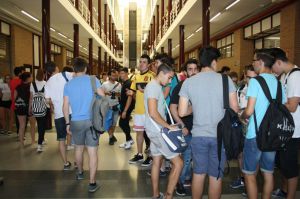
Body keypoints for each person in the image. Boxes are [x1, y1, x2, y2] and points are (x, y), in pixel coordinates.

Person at [178, 46, 238, 199]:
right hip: (220, 137)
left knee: (198, 174)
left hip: (198, 136)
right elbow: (235, 109)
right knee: (215, 175)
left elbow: (182, 112)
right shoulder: (226, 79)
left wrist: (195, 106)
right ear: (213, 61)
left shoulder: (189, 82)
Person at [240, 48, 286, 199]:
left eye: (254, 60)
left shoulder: (255, 81)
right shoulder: (279, 83)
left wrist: (242, 115)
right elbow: (283, 106)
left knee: (249, 175)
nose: (252, 63)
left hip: (255, 134)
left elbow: (249, 110)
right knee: (268, 174)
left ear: (260, 62)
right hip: (273, 136)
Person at [63, 57, 105, 193]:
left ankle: (80, 172)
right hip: (92, 121)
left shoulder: (68, 85)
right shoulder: (93, 80)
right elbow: (103, 97)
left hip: (75, 121)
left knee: (78, 149)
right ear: (86, 68)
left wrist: (67, 122)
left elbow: (65, 106)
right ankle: (92, 183)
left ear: (74, 70)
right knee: (92, 152)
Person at [144, 63, 183, 199]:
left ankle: (155, 194)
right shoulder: (154, 87)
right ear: (162, 73)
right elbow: (153, 113)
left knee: (157, 161)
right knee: (178, 163)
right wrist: (168, 126)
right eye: (170, 77)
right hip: (158, 131)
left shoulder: (155, 86)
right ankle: (168, 196)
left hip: (153, 130)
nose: (170, 81)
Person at [270, 48, 299, 199]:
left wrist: (272, 106)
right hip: (285, 128)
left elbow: (292, 106)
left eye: (272, 65)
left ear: (279, 62)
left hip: (294, 130)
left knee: (290, 166)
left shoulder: (296, 76)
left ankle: (291, 196)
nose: (271, 69)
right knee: (282, 164)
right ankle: (284, 190)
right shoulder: (285, 76)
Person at [170, 59, 200, 196]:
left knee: (194, 157)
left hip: (200, 128)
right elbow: (173, 108)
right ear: (185, 71)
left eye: (195, 69)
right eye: (190, 69)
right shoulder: (181, 86)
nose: (193, 72)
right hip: (186, 128)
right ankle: (179, 182)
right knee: (186, 158)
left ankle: (186, 177)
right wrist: (181, 125)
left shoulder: (202, 87)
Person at [230, 65, 257, 190]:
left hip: (254, 129)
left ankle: (251, 182)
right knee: (240, 154)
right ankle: (243, 179)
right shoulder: (240, 88)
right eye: (249, 77)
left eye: (254, 77)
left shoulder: (258, 89)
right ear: (245, 76)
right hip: (240, 127)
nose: (251, 80)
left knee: (252, 156)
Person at [44, 61, 73, 170]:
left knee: (61, 140)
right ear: (56, 67)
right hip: (71, 111)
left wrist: (53, 104)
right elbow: (77, 77)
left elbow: (47, 100)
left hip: (58, 115)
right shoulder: (65, 74)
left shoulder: (47, 83)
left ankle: (65, 163)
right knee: (75, 138)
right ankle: (77, 162)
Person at [127, 54, 154, 166]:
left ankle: (152, 156)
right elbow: (133, 93)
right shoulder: (135, 77)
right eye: (140, 61)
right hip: (138, 111)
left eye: (144, 62)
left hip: (149, 111)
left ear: (148, 64)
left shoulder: (153, 76)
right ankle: (139, 154)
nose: (141, 64)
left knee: (151, 135)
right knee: (139, 134)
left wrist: (145, 90)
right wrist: (131, 93)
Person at [14, 72, 35, 146]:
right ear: (28, 78)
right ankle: (32, 141)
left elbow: (14, 98)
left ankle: (21, 143)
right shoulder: (31, 86)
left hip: (19, 107)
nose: (32, 77)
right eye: (31, 76)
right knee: (32, 125)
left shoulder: (18, 87)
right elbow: (31, 98)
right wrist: (30, 108)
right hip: (29, 107)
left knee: (21, 125)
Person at [102, 69, 121, 145]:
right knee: (108, 123)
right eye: (113, 75)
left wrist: (116, 94)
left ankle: (111, 135)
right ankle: (110, 137)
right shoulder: (104, 84)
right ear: (109, 75)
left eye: (116, 75)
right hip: (107, 106)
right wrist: (106, 93)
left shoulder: (119, 84)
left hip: (116, 106)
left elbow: (120, 94)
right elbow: (101, 94)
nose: (115, 77)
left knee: (114, 123)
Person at [29, 69, 47, 152]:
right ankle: (39, 145)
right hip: (43, 108)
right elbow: (47, 97)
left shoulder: (32, 84)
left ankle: (42, 140)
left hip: (35, 108)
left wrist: (30, 107)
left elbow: (31, 97)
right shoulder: (45, 83)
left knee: (39, 124)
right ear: (43, 75)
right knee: (41, 126)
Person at [119, 67, 135, 149]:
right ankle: (128, 140)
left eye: (122, 73)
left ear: (126, 73)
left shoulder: (129, 83)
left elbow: (130, 97)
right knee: (124, 123)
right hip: (123, 106)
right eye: (120, 73)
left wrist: (125, 110)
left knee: (122, 123)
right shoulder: (124, 83)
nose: (120, 75)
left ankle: (129, 140)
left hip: (127, 106)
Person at [9, 66, 24, 135]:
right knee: (21, 119)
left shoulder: (11, 81)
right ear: (20, 73)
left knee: (16, 117)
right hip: (21, 102)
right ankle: (20, 133)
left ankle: (18, 132)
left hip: (13, 101)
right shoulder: (21, 81)